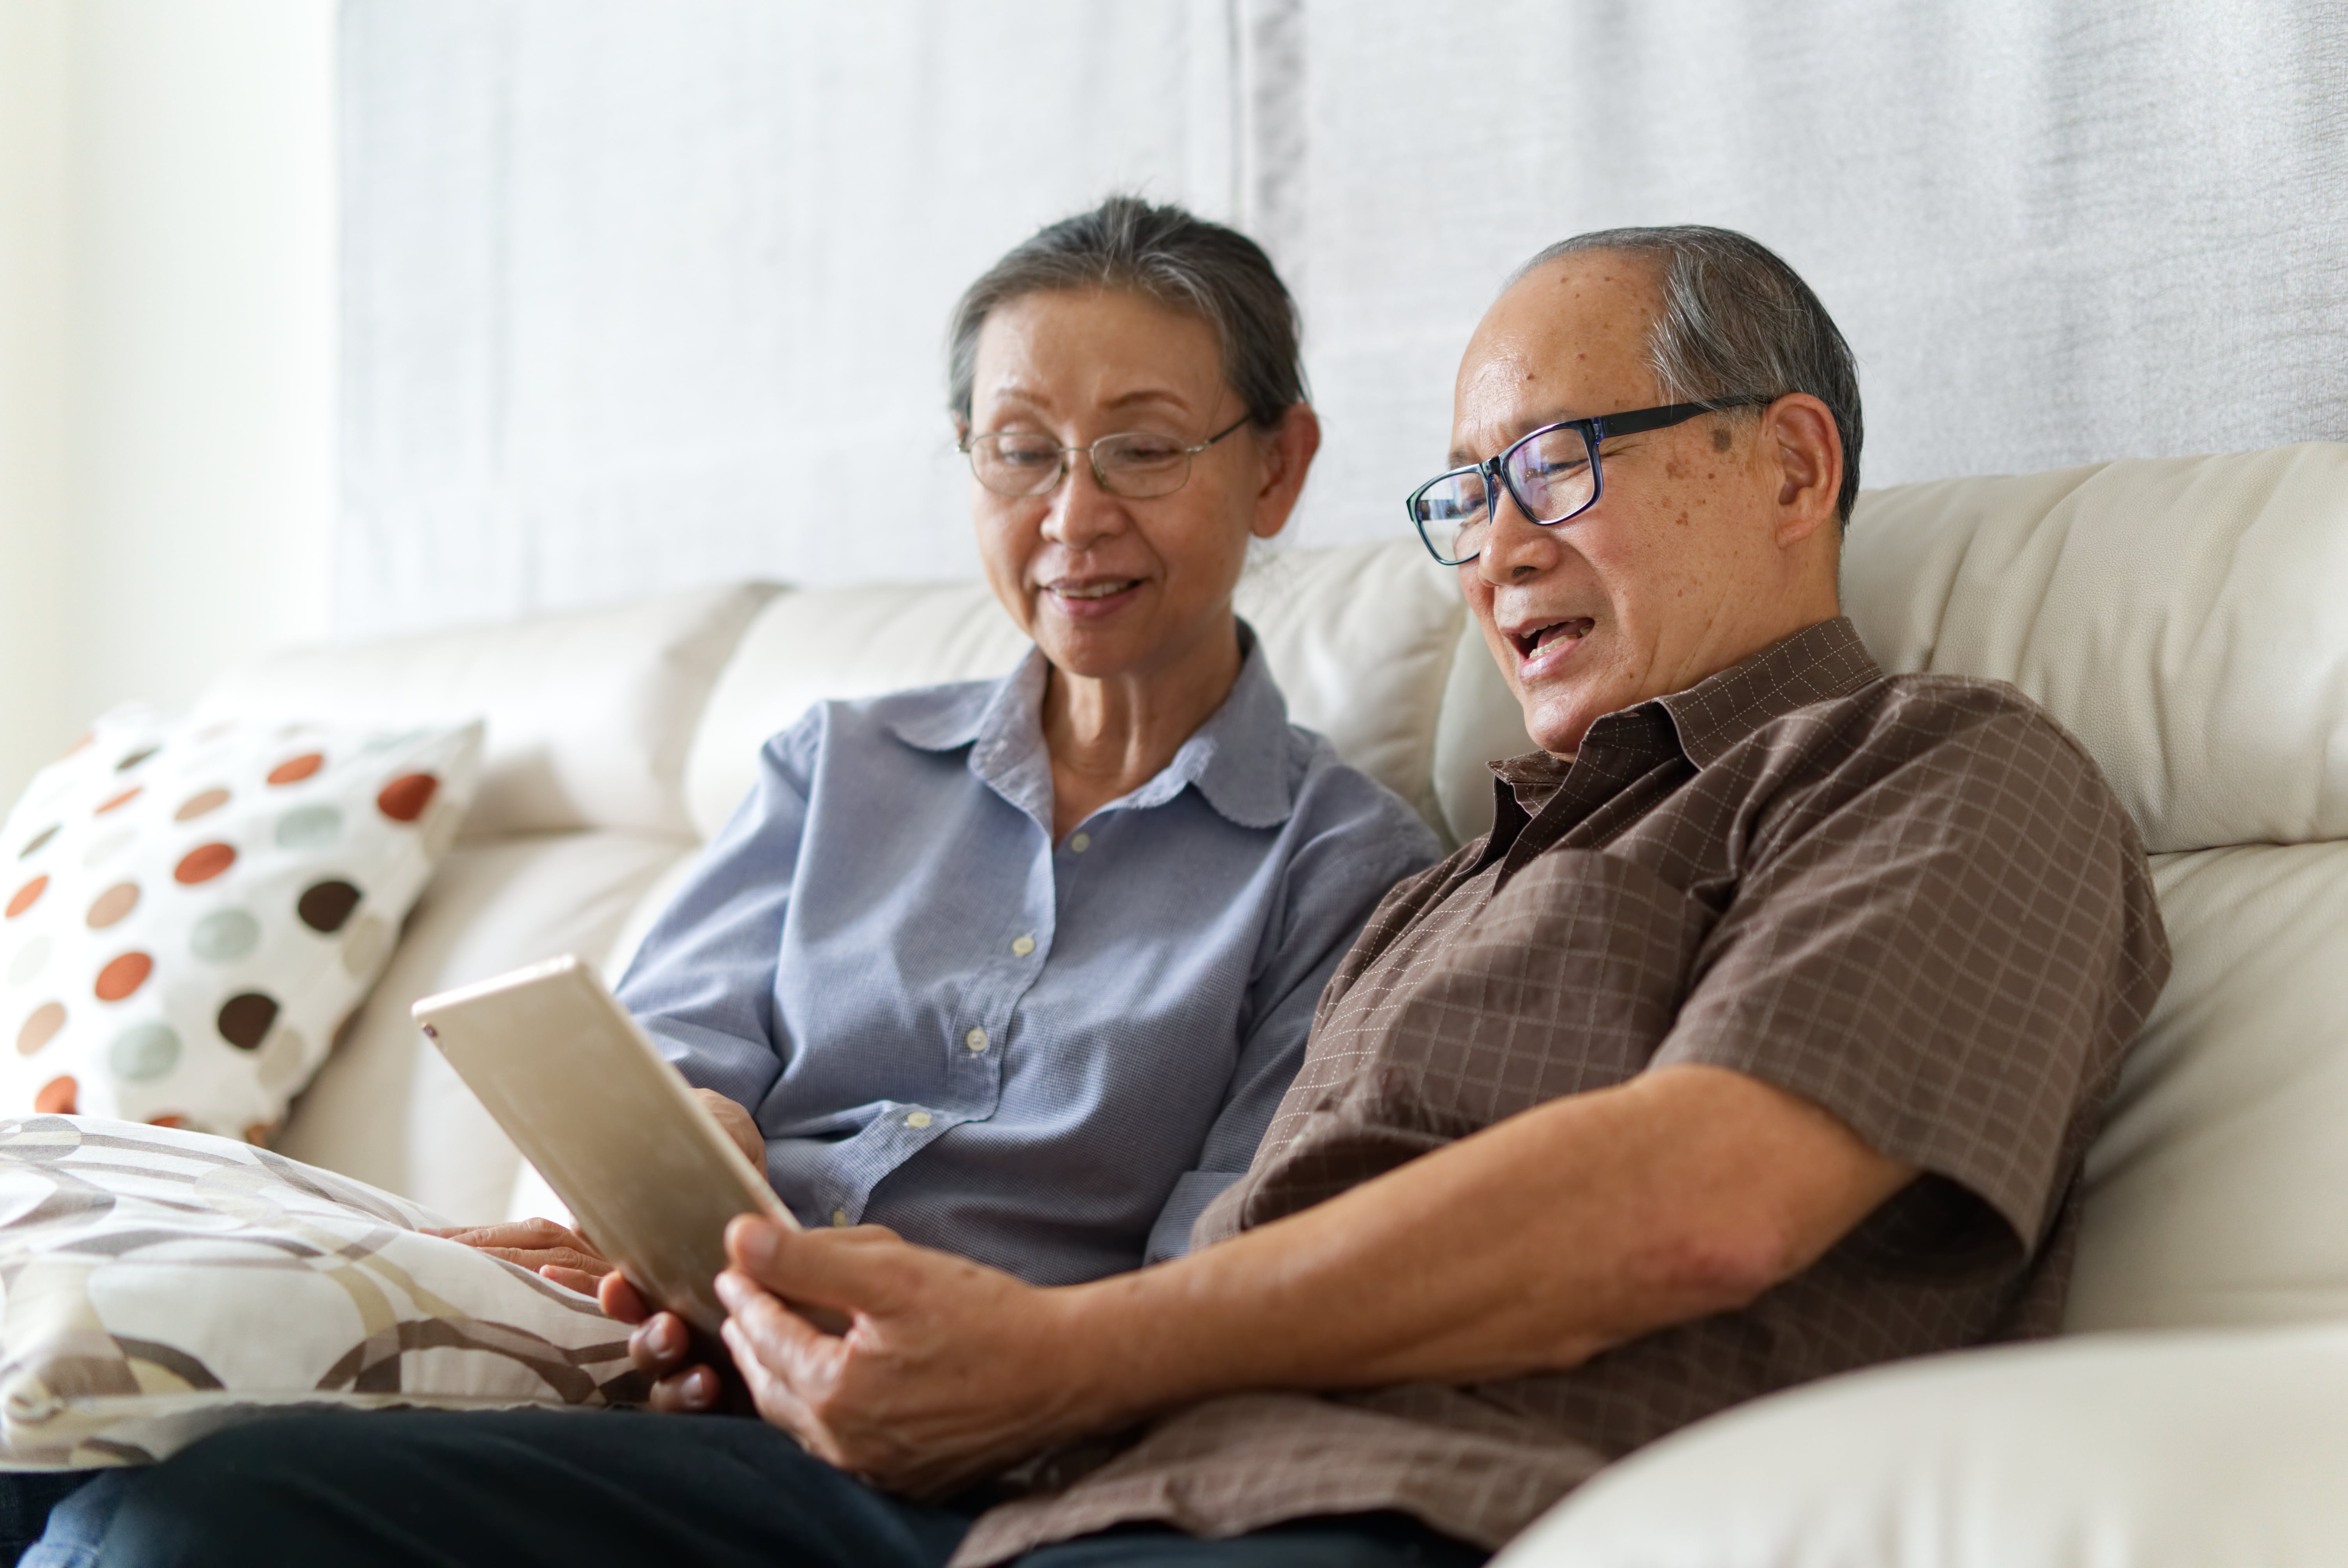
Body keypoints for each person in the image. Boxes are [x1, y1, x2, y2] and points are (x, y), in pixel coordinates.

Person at [34, 226, 2169, 1568]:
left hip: (1329, 1503)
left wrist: (1052, 1355)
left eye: (1558, 462)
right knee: (184, 1512)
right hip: (1028, 1487)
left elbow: (1698, 1199)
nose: (1496, 543)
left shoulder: (1938, 772)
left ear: (1789, 464)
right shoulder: (1484, 866)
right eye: (1468, 492)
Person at [7, 198, 1440, 1563]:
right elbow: (662, 1055)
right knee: (65, 1458)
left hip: (965, 1459)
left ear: (1277, 465)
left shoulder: (1348, 867)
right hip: (669, 1375)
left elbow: (1221, 1271)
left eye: (1139, 450)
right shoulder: (840, 766)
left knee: (189, 1522)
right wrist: (674, 1158)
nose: (1072, 515)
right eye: (1020, 451)